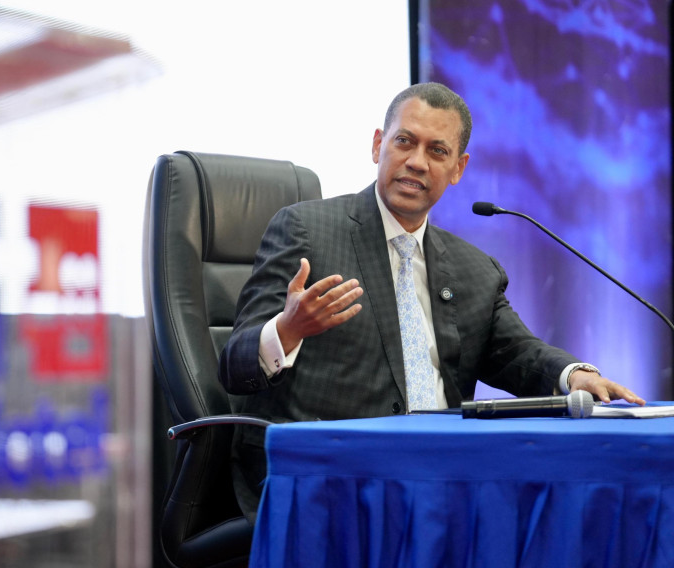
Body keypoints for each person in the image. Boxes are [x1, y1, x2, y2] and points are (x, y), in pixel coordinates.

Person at [217, 82, 645, 524]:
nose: (417, 162)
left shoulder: (474, 268)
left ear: (458, 168)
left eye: (437, 151)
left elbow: (518, 353)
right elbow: (234, 366)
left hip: (444, 477)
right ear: (378, 145)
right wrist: (287, 330)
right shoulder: (306, 231)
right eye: (405, 141)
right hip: (330, 478)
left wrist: (575, 374)